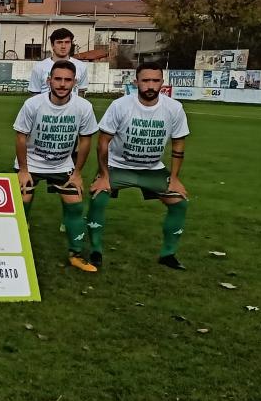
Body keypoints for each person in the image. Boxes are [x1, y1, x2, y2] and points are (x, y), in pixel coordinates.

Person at [87, 62, 191, 270]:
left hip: (152, 169)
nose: (150, 86)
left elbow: (179, 143)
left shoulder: (174, 108)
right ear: (136, 82)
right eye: (145, 81)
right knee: (98, 196)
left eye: (155, 80)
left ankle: (168, 254)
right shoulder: (120, 105)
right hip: (119, 167)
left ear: (162, 82)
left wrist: (175, 178)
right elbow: (102, 142)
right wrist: (104, 175)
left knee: (180, 203)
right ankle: (95, 251)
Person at [14, 59, 99, 273]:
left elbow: (86, 140)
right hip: (31, 163)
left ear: (75, 82)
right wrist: (23, 171)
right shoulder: (33, 105)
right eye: (58, 79)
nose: (62, 84)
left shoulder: (83, 107)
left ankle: (76, 254)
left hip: (62, 165)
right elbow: (21, 137)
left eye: (67, 80)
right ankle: (14, 251)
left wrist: (78, 173)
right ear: (49, 80)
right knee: (21, 202)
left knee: (75, 204)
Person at [28, 28, 89, 95]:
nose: (63, 46)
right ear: (52, 45)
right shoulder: (39, 67)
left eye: (67, 42)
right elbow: (35, 94)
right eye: (59, 42)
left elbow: (81, 92)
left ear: (71, 44)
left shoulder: (81, 66)